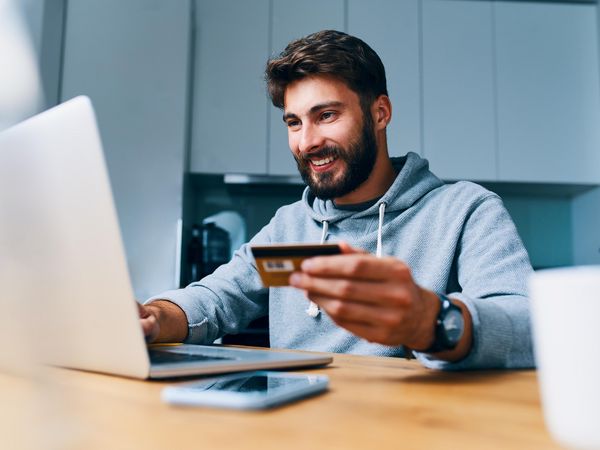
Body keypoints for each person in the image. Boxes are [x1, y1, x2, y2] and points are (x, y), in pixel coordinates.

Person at [139, 30, 534, 370]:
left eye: (326, 115)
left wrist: (432, 320)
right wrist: (154, 317)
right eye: (294, 122)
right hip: (300, 424)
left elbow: (529, 326)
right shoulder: (288, 226)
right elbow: (216, 298)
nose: (307, 141)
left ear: (380, 113)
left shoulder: (465, 210)